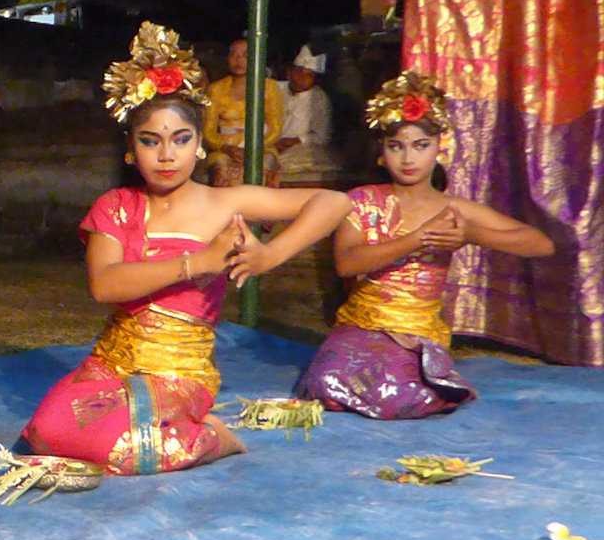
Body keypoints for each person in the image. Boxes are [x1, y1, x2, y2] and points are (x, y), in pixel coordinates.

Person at [10, 22, 350, 475]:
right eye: (150, 141)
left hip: (178, 372)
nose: (166, 156)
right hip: (111, 364)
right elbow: (105, 285)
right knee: (45, 435)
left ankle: (212, 435)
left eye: (180, 140)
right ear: (131, 150)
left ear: (199, 147)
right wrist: (200, 261)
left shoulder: (224, 202)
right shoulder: (116, 207)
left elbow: (335, 202)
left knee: (119, 449)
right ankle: (180, 429)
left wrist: (270, 255)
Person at [297, 73, 554, 419]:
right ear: (380, 153)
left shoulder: (453, 210)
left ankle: (426, 379)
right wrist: (416, 239)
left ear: (439, 148)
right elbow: (347, 263)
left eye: (421, 145)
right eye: (396, 146)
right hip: (362, 326)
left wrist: (471, 235)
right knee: (324, 383)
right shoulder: (362, 201)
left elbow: (540, 244)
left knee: (399, 394)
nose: (408, 158)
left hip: (417, 333)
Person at [204, 38, 286, 187]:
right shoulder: (215, 89)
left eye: (246, 55)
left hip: (261, 147)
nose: (238, 60)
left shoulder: (269, 87)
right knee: (221, 169)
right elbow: (208, 132)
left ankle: (259, 210)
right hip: (225, 148)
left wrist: (252, 148)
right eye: (234, 55)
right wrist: (226, 148)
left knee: (261, 168)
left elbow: (275, 129)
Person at [276, 45, 338, 180]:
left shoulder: (319, 98)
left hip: (300, 151)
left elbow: (322, 136)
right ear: (289, 73)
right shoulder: (275, 89)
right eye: (299, 72)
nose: (303, 78)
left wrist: (295, 141)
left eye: (309, 75)